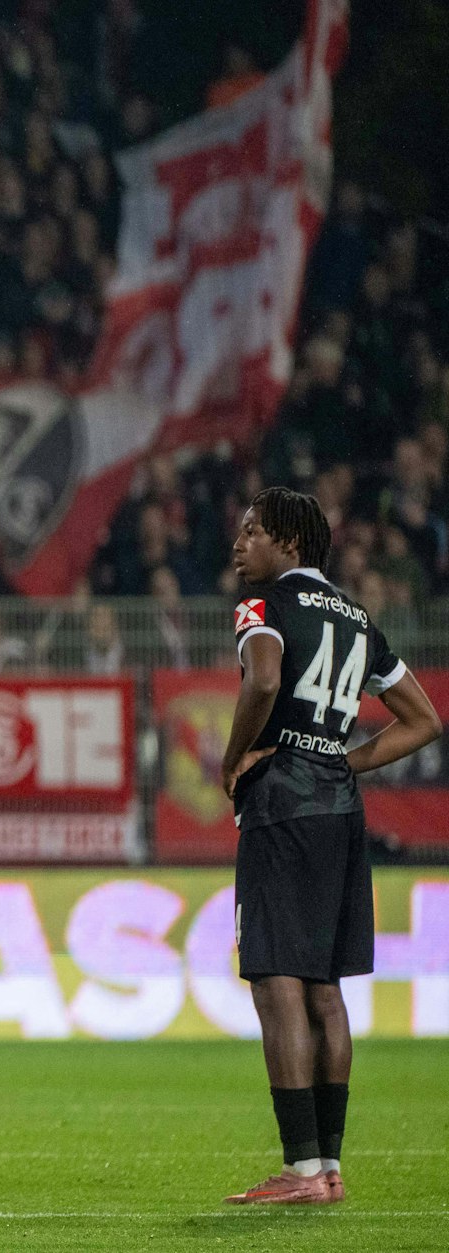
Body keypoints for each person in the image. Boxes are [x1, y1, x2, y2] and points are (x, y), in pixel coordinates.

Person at [220, 487, 440, 1205]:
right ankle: (331, 1167)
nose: (238, 544)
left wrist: (236, 756)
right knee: (324, 989)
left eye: (251, 532)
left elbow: (263, 677)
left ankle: (301, 1171)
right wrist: (345, 761)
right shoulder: (357, 617)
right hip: (341, 811)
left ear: (288, 542)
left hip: (281, 807)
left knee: (276, 981)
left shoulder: (264, 606)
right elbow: (423, 720)